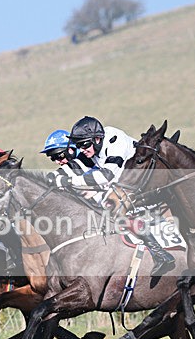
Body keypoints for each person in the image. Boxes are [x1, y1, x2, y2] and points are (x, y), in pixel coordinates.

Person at [50, 116, 174, 276]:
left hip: (145, 186)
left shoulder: (116, 141)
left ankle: (160, 254)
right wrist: (50, 179)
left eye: (85, 145)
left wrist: (67, 181)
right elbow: (71, 168)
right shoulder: (91, 148)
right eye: (79, 146)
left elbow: (106, 176)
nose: (82, 150)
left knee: (109, 206)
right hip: (124, 186)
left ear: (97, 139)